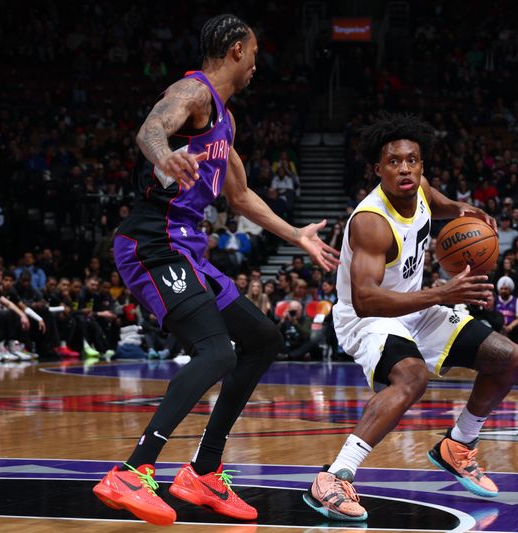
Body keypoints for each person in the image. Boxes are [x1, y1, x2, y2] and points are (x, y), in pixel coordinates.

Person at [94, 14, 339, 526]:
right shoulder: (195, 92)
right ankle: (133, 470)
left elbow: (239, 194)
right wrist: (165, 154)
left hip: (188, 251)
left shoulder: (225, 120)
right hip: (152, 243)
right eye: (252, 52)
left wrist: (294, 235)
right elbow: (151, 128)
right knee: (216, 351)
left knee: (264, 339)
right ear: (234, 50)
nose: (256, 63)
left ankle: (203, 472)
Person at [305, 113, 518, 521]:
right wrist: (444, 292)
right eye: (393, 162)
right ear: (378, 169)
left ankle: (458, 444)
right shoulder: (371, 222)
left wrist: (468, 212)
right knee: (412, 376)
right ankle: (334, 477)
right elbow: (367, 300)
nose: (404, 168)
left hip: (415, 306)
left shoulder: (419, 188)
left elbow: (443, 206)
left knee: (509, 358)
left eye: (412, 160)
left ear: (422, 165)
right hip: (366, 319)